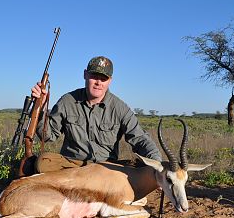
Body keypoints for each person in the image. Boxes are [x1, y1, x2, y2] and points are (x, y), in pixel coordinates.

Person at [32, 56, 162, 173]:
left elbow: (140, 139)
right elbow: (48, 136)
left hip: (106, 169)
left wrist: (158, 164)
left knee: (139, 169)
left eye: (103, 78)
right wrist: (40, 108)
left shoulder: (120, 108)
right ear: (85, 75)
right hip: (72, 166)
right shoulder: (67, 101)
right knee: (42, 163)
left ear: (110, 80)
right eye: (94, 76)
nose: (98, 82)